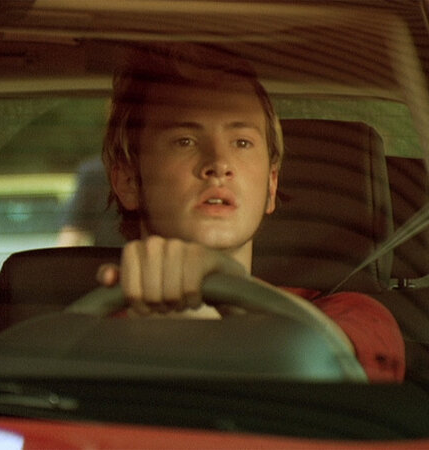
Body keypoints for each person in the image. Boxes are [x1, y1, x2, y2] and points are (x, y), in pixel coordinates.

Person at [96, 43, 405, 382]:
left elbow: (333, 370)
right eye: (184, 141)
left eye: (242, 142)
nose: (218, 164)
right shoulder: (82, 334)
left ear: (271, 184)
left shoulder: (353, 317)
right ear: (128, 182)